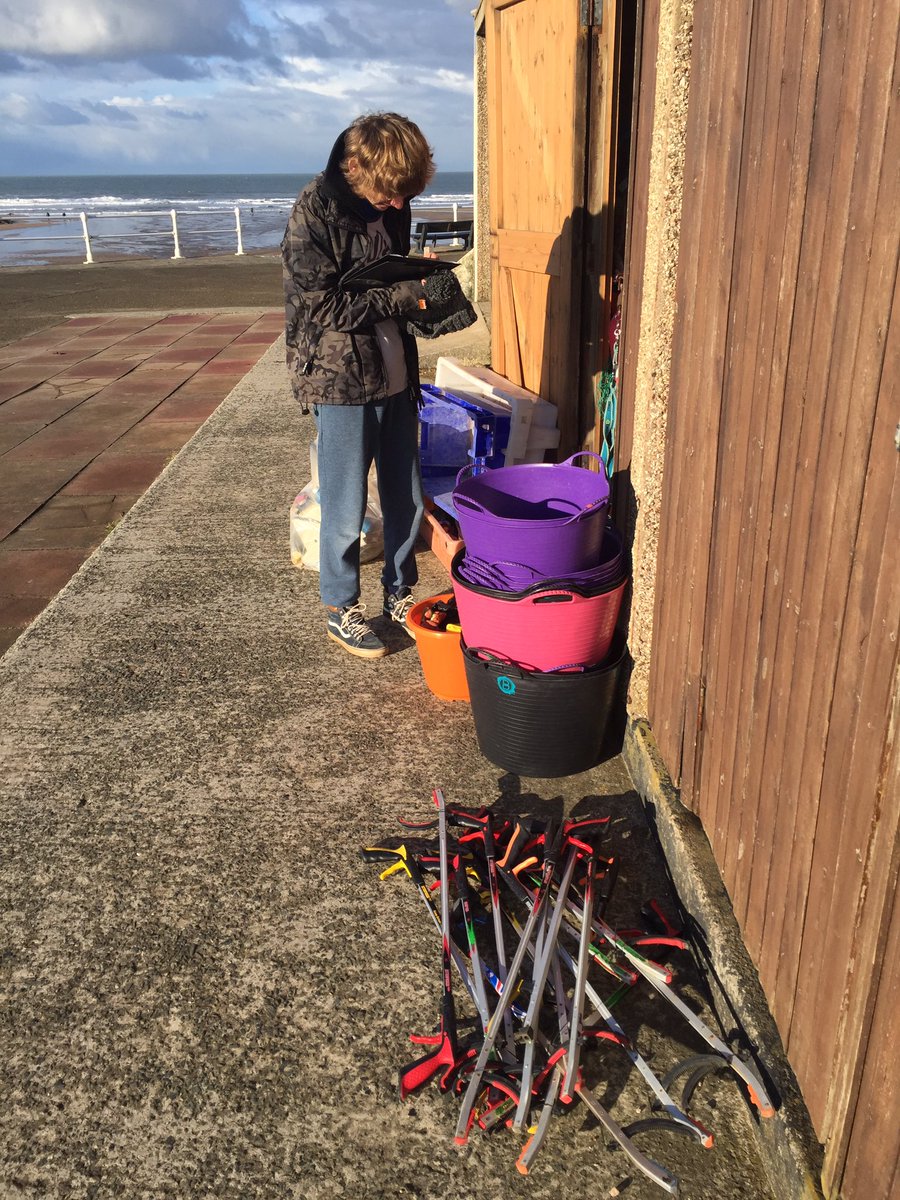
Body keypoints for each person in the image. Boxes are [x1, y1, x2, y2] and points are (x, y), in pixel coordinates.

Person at [282, 112, 436, 660]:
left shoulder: (394, 201)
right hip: (339, 379)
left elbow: (387, 274)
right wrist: (402, 295)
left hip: (394, 367)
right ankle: (339, 605)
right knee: (344, 504)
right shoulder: (313, 210)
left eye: (405, 196)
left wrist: (426, 290)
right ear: (355, 167)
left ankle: (400, 594)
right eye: (390, 193)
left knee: (406, 495)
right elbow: (320, 306)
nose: (398, 207)